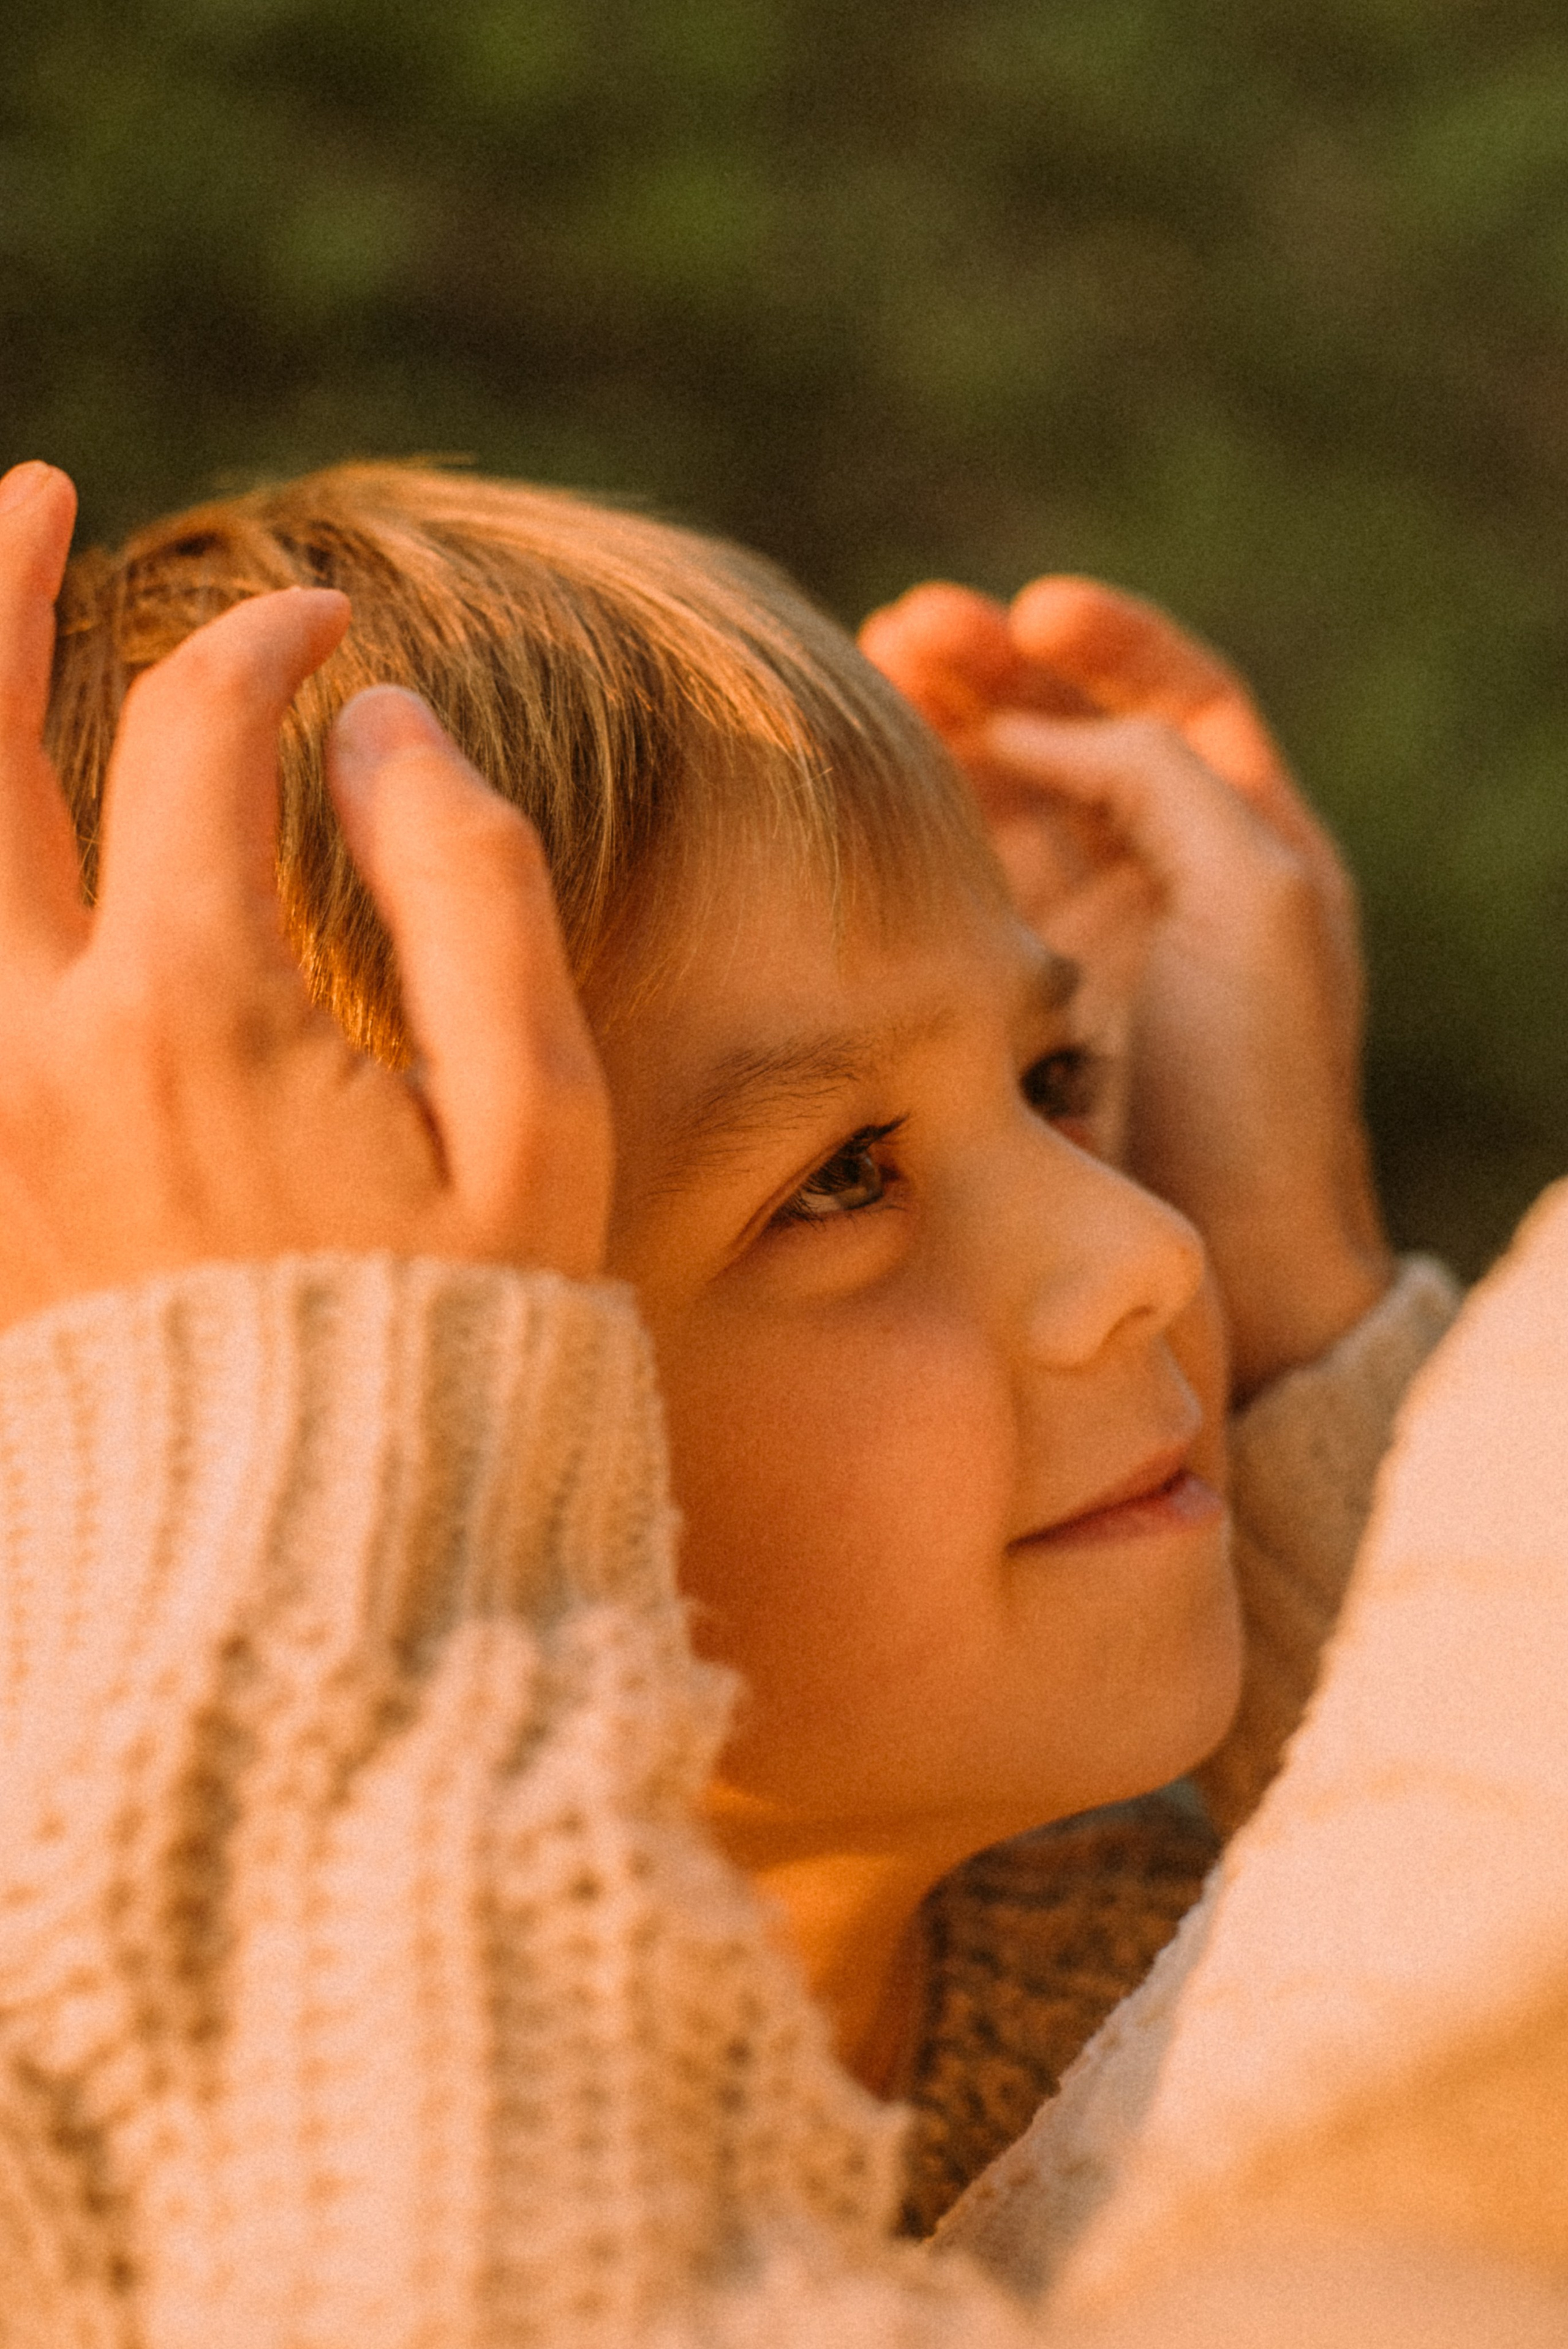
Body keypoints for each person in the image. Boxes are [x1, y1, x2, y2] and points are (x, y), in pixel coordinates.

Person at [4, 454, 1555, 2345]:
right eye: (838, 1175)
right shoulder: (66, 2207)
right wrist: (310, 1492)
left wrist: (1298, 1303)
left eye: (1056, 1077)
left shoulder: (1138, 1955)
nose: (1150, 1250)